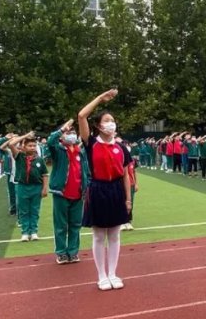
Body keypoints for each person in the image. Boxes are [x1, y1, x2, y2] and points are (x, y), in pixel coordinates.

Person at [78, 89, 131, 291]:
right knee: (99, 236)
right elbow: (82, 115)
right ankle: (101, 275)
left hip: (116, 190)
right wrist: (100, 98)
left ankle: (113, 273)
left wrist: (128, 199)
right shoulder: (90, 143)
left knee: (115, 235)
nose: (111, 123)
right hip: (98, 189)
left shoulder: (121, 147)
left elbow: (126, 174)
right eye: (107, 120)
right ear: (98, 125)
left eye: (113, 120)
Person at [48, 119, 88, 264]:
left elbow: (86, 171)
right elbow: (50, 142)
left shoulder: (81, 152)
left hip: (78, 194)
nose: (71, 135)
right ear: (62, 136)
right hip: (61, 193)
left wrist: (87, 186)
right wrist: (61, 129)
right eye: (67, 133)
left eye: (73, 132)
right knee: (60, 226)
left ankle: (73, 252)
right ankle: (61, 253)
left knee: (75, 225)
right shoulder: (58, 150)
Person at [6, 132, 49, 242]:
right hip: (23, 187)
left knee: (34, 210)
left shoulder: (39, 159)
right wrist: (25, 136)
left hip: (36, 187)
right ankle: (25, 232)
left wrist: (45, 188)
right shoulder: (19, 156)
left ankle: (34, 231)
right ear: (24, 147)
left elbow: (44, 174)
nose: (33, 148)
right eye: (30, 145)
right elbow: (11, 144)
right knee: (24, 210)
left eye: (34, 145)